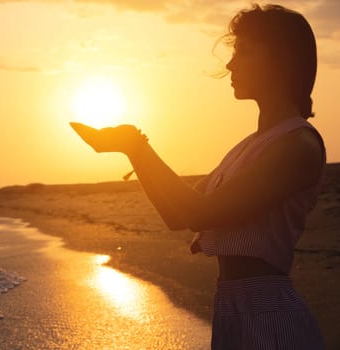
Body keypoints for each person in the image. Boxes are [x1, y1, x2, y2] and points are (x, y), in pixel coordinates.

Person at [70, 3, 326, 349]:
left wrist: (138, 146)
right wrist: (132, 149)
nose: (231, 63)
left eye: (245, 51)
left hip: (269, 315)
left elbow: (201, 212)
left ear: (281, 61)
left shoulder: (298, 145)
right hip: (232, 307)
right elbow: (178, 216)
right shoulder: (249, 146)